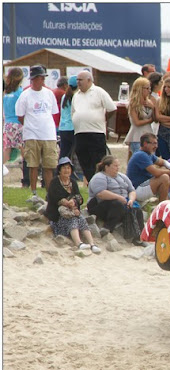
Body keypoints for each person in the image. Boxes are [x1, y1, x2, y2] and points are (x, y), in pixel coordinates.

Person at [15, 65, 59, 193]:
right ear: (33, 79)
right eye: (41, 77)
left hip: (48, 134)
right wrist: (30, 125)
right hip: (32, 134)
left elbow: (53, 112)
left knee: (49, 166)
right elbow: (20, 116)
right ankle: (34, 192)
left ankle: (49, 193)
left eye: (44, 77)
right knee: (32, 165)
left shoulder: (49, 93)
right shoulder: (25, 95)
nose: (43, 80)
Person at [45, 157, 101, 253]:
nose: (66, 170)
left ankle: (92, 244)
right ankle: (78, 243)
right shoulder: (54, 182)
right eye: (64, 168)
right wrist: (66, 202)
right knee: (73, 219)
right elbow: (54, 198)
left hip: (71, 211)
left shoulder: (73, 182)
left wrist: (74, 203)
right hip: (58, 216)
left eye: (68, 168)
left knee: (81, 219)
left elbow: (79, 198)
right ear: (59, 170)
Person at [71, 70, 116, 182]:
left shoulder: (99, 92)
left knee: (98, 162)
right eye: (77, 80)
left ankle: (100, 183)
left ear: (89, 80)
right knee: (84, 161)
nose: (78, 82)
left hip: (96, 133)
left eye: (80, 80)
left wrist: (102, 119)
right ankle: (91, 183)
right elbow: (73, 112)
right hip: (80, 133)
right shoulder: (76, 95)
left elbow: (112, 108)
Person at [87, 155, 144, 244]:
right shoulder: (99, 177)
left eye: (118, 165)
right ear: (107, 167)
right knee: (117, 204)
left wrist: (131, 200)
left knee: (137, 210)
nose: (118, 168)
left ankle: (138, 238)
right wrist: (118, 197)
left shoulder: (122, 177)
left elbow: (132, 190)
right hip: (101, 205)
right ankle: (107, 227)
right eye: (115, 166)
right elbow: (100, 194)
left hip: (123, 202)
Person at [126, 133, 170, 202]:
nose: (156, 146)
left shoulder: (148, 154)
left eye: (156, 143)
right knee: (164, 177)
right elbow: (156, 173)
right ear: (145, 144)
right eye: (154, 143)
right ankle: (163, 204)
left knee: (164, 170)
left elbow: (163, 162)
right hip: (135, 191)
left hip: (142, 187)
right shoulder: (141, 155)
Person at [124, 77, 155, 161]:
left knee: (150, 160)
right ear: (140, 89)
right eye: (147, 88)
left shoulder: (149, 102)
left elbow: (156, 118)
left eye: (149, 88)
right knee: (140, 160)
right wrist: (150, 120)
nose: (149, 91)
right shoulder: (133, 104)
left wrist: (153, 107)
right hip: (137, 136)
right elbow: (136, 122)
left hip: (149, 134)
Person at [3, 67, 24, 177]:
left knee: (7, 151)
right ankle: (27, 173)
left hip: (8, 124)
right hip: (18, 123)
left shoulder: (6, 92)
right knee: (23, 149)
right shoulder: (20, 92)